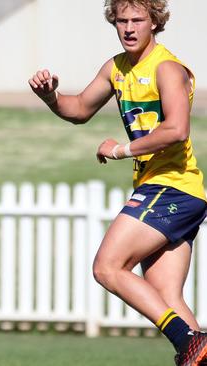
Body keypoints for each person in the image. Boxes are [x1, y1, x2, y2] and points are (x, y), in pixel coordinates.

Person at [29, 0, 207, 365]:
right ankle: (196, 349)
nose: (128, 28)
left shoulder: (167, 68)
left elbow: (176, 130)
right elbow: (78, 109)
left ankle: (189, 343)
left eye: (137, 20)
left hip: (172, 186)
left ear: (154, 23)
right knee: (165, 298)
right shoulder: (117, 67)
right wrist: (50, 96)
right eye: (121, 20)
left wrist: (122, 150)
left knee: (107, 267)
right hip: (165, 189)